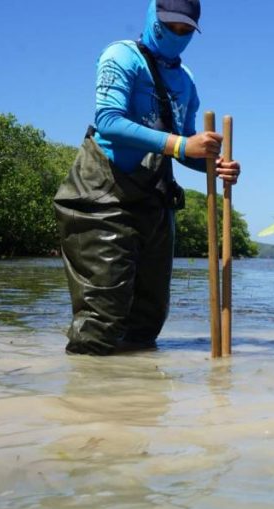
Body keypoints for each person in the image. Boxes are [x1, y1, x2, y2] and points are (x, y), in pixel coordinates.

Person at [54, 0, 240, 355]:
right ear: (153, 17)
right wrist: (184, 145)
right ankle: (85, 401)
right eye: (171, 26)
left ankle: (138, 404)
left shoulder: (186, 82)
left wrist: (215, 167)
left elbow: (185, 146)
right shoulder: (121, 56)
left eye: (186, 30)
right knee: (102, 320)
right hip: (101, 196)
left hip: (154, 200)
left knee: (148, 319)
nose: (178, 35)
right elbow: (109, 121)